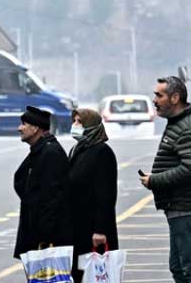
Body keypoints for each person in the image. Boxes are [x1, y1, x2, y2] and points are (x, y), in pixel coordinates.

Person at [140, 76, 191, 283]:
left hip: (188, 208)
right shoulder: (178, 123)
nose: (154, 100)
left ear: (175, 97)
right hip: (180, 207)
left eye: (159, 95)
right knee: (178, 267)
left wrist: (155, 180)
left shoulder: (188, 127)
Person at [66, 108, 118, 283]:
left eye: (79, 122)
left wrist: (100, 229)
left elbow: (106, 194)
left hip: (93, 230)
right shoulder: (77, 149)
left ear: (91, 126)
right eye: (74, 121)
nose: (74, 125)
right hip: (77, 227)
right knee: (79, 275)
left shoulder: (102, 152)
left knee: (94, 276)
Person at [13, 106, 69, 261]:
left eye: (23, 124)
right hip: (37, 233)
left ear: (36, 128)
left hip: (45, 238)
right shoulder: (39, 150)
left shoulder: (50, 153)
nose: (19, 128)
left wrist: (45, 237)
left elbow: (53, 198)